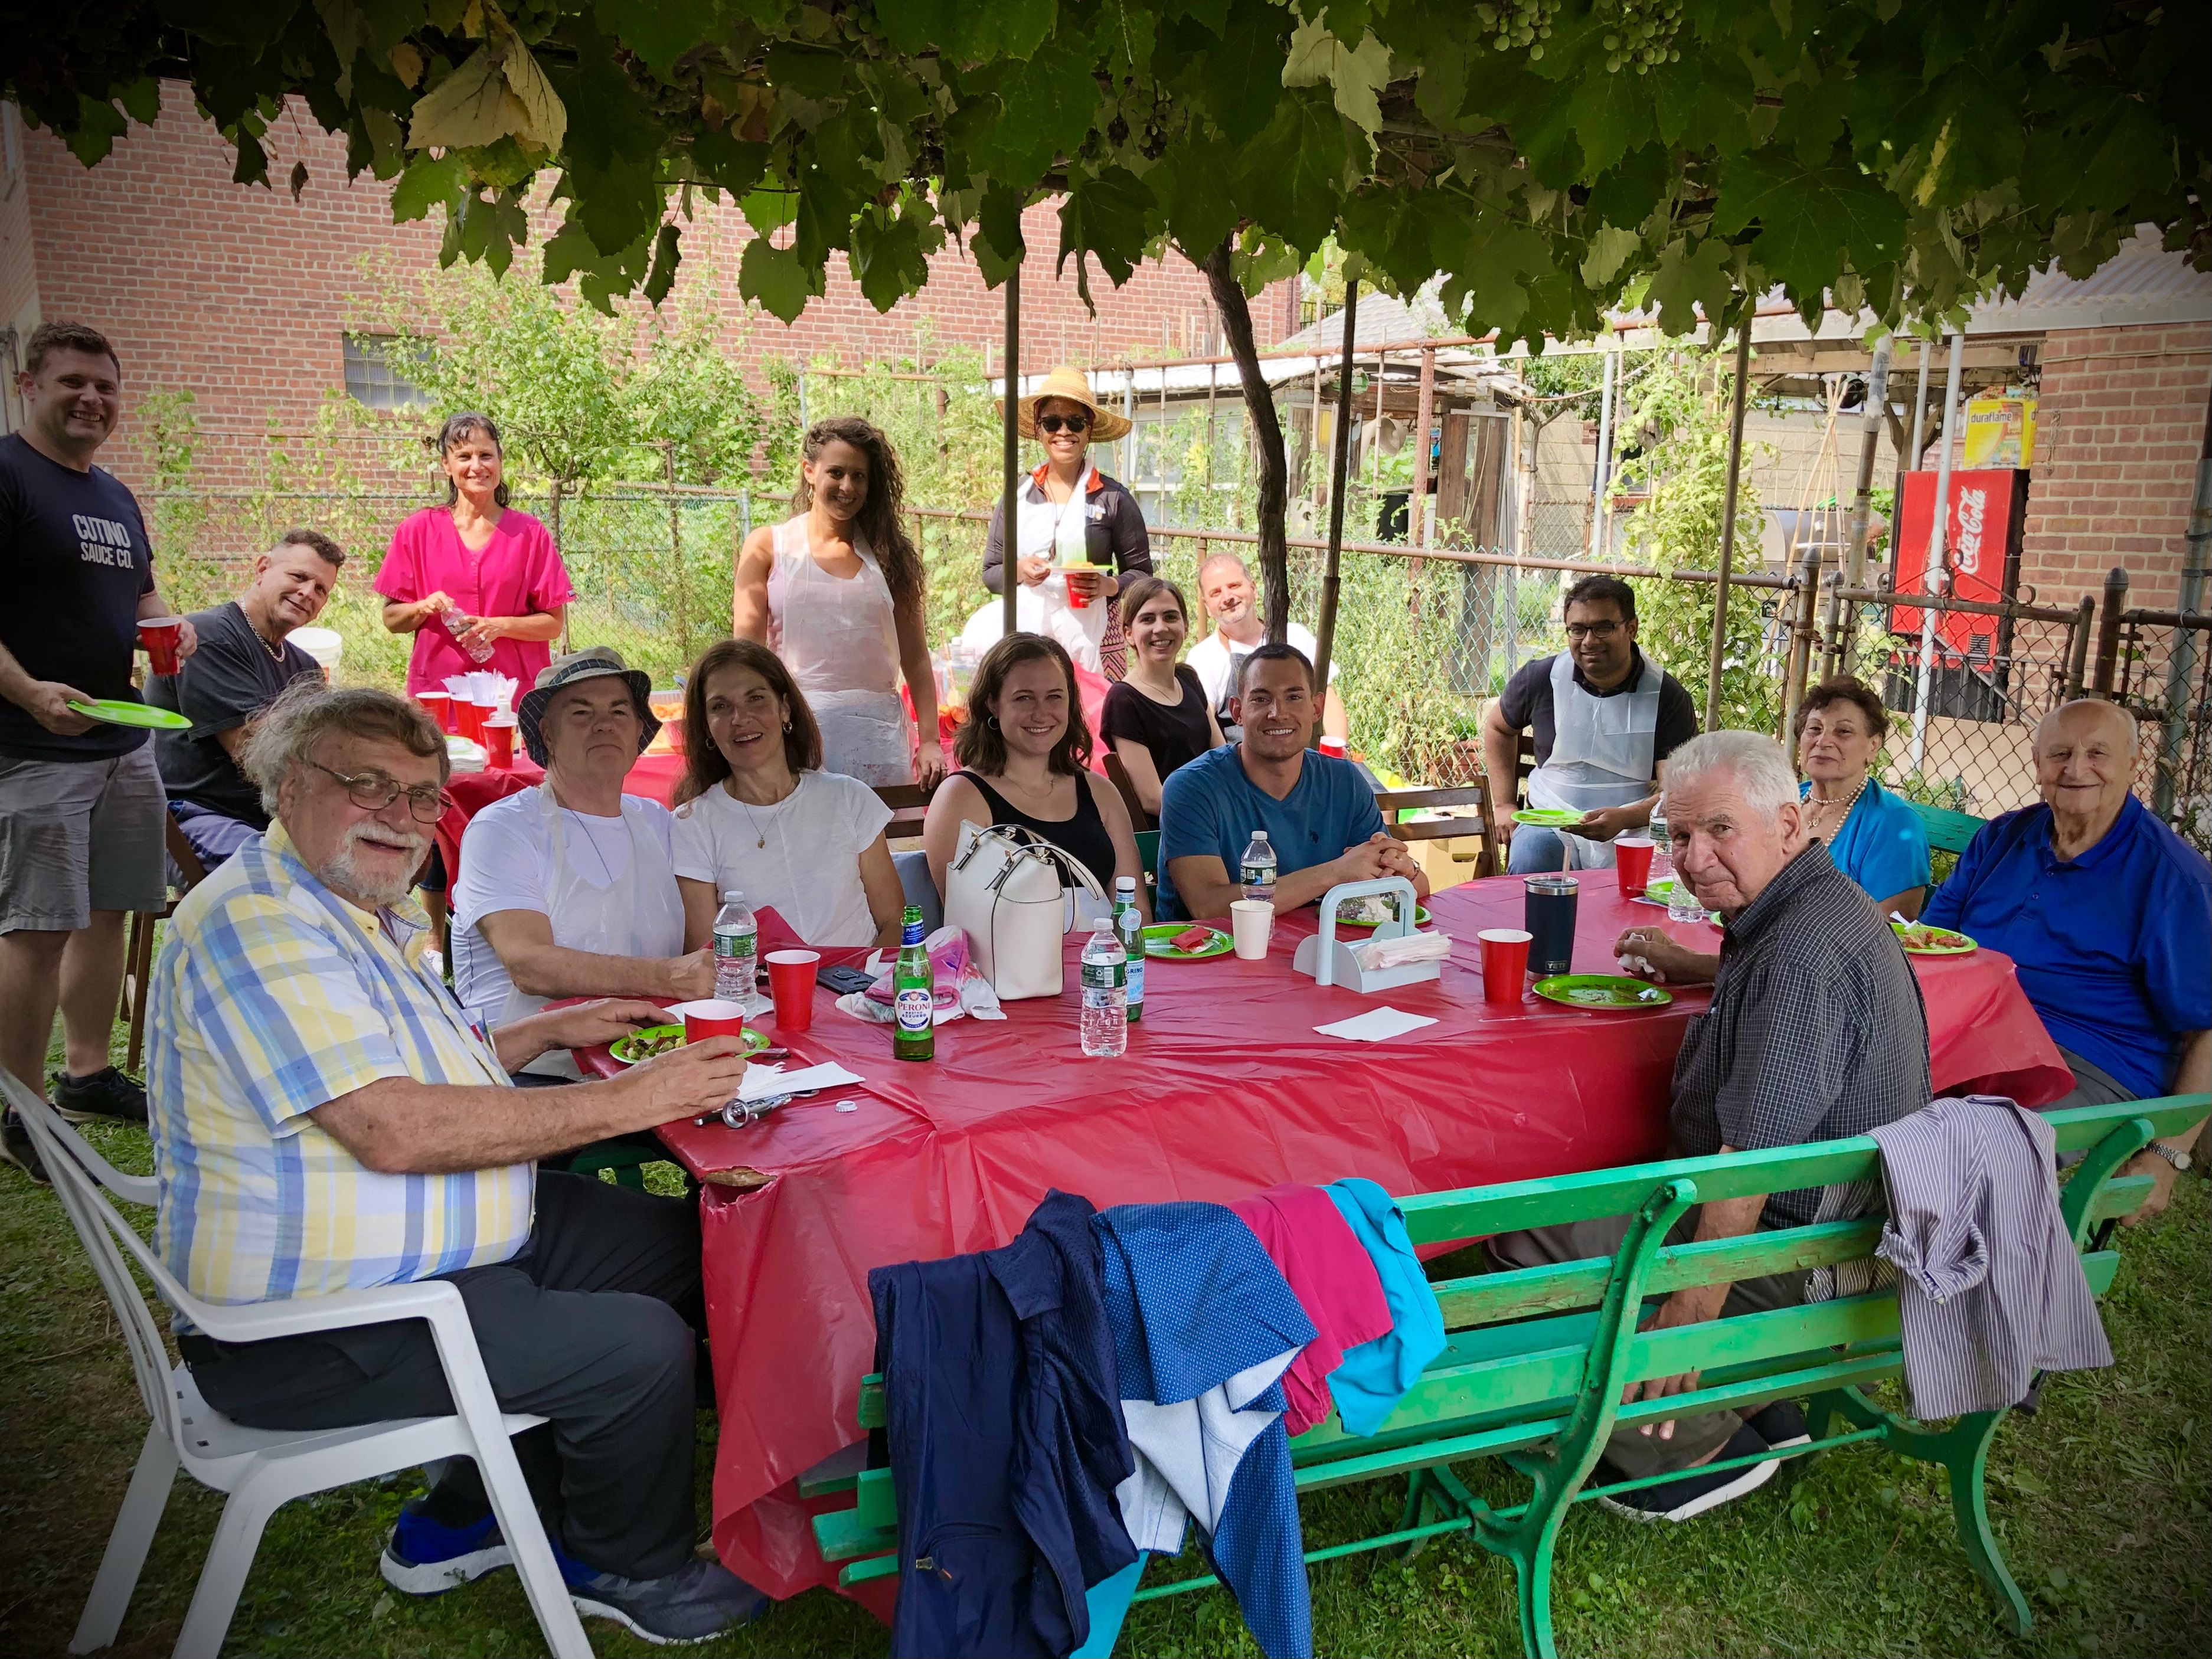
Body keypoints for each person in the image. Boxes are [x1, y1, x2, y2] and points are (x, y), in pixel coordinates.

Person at [144, 680, 769, 1642]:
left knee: (693, 1244)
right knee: (639, 1344)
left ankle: (489, 1492)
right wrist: (636, 1097)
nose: (399, 815)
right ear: (286, 781)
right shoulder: (258, 922)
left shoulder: (346, 909)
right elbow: (391, 1126)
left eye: (419, 795)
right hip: (313, 1325)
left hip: (435, 1247)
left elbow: (393, 1066)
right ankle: (622, 1562)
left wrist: (540, 1034)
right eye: (366, 784)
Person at [1495, 731, 1930, 1522]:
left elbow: (1748, 1170)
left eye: (1719, 829)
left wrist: (1685, 1323)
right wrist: (1701, 967)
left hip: (1803, 1244)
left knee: (1524, 1242)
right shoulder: (1805, 903)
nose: (1693, 858)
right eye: (1678, 834)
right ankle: (1758, 1405)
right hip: (1833, 1211)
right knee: (1574, 1214)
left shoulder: (1798, 955)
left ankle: (1691, 1451)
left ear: (1789, 825)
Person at [1, 321, 200, 1175]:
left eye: (106, 387)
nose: (92, 399)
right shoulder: (8, 476)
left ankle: (86, 1073)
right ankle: (21, 1111)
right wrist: (28, 691)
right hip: (32, 742)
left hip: (122, 736)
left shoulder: (115, 494)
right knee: (37, 927)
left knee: (109, 909)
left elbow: (142, 594)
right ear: (28, 386)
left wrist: (170, 625)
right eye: (72, 382)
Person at [1922, 699, 2208, 1220]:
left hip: (2090, 1057)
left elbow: (2208, 1028)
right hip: (1978, 1031)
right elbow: (1931, 941)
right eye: (2059, 754)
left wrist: (2167, 1154)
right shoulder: (2003, 837)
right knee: (1859, 1104)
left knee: (1967, 1155)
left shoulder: (2170, 878)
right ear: (2037, 763)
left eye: (2097, 753)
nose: (2076, 768)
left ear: (2132, 764)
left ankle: (1908, 1258)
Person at [450, 649, 713, 1081]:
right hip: (526, 1071)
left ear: (639, 731)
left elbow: (700, 946)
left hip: (651, 1053)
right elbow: (529, 964)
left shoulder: (659, 823)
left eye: (619, 711)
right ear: (547, 733)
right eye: (581, 712)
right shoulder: (504, 828)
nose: (604, 724)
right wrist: (667, 977)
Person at [733, 417, 943, 787]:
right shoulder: (769, 546)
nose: (848, 487)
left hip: (878, 741)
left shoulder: (890, 556)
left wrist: (930, 741)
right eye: (836, 473)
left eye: (859, 476)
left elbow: (916, 659)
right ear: (809, 472)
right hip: (798, 738)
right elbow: (747, 658)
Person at [1156, 644, 1427, 922]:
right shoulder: (1192, 787)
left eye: (1294, 697)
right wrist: (1335, 873)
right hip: (1214, 948)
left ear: (1316, 708)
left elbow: (1413, 887)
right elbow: (1209, 907)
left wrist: (1406, 870)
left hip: (1323, 944)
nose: (1278, 713)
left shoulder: (1345, 781)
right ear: (1237, 711)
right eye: (1261, 699)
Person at [671, 639, 906, 950]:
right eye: (721, 707)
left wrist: (861, 978)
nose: (740, 718)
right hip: (757, 982)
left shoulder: (849, 799)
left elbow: (895, 921)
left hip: (861, 977)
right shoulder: (693, 824)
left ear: (784, 708)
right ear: (706, 726)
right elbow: (705, 954)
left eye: (756, 698)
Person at [146, 528, 345, 869]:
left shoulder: (306, 667)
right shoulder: (207, 637)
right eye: (299, 577)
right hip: (192, 816)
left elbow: (323, 751)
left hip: (269, 820)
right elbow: (254, 750)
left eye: (321, 589)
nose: (307, 593)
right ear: (263, 568)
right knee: (291, 874)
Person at [1481, 574, 1698, 873]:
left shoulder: (1666, 696)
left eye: (1603, 628)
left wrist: (1625, 818)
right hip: (1551, 821)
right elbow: (1498, 728)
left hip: (1634, 829)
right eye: (1578, 629)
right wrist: (1504, 805)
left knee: (1649, 883)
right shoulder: (1541, 679)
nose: (1589, 641)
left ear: (1631, 628)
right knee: (1532, 856)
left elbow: (1673, 793)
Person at [923, 633, 1146, 912]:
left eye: (1054, 697)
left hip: (1103, 942)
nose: (1041, 713)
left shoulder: (1101, 792)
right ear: (993, 703)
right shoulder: (960, 798)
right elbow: (966, 920)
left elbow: (1135, 912)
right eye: (1024, 698)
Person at [375, 410, 574, 696]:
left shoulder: (530, 534)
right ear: (446, 465)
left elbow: (553, 625)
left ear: (500, 461)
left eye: (486, 455)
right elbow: (392, 619)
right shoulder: (417, 532)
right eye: (464, 456)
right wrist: (423, 607)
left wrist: (498, 626)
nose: (476, 466)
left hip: (513, 694)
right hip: (440, 692)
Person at [981, 366, 1154, 679]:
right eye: (1052, 422)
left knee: (1090, 708)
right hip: (1025, 638)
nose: (1063, 432)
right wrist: (1020, 570)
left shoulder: (1112, 498)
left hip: (1094, 639)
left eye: (1075, 423)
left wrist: (1108, 585)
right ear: (1038, 429)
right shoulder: (1017, 496)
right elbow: (992, 575)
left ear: (1089, 431)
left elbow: (1143, 575)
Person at [1792, 675, 1930, 918]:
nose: (1823, 741)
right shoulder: (1785, 801)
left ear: (1873, 746)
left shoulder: (1894, 824)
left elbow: (1888, 930)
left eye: (1843, 732)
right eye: (1814, 729)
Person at [1184, 554, 1348, 742]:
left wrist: (1338, 750)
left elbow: (1327, 700)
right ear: (1206, 606)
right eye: (1216, 593)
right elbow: (1205, 724)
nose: (1227, 597)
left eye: (1234, 586)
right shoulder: (1203, 657)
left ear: (1253, 589)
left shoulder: (1296, 636)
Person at [1100, 574, 1223, 821]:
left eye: (1170, 617)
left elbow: (1222, 758)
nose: (1160, 628)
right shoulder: (1124, 699)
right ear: (1128, 633)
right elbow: (1153, 799)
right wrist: (1219, 812)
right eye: (1148, 619)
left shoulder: (1189, 679)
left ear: (1185, 626)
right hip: (1175, 829)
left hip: (1215, 816)